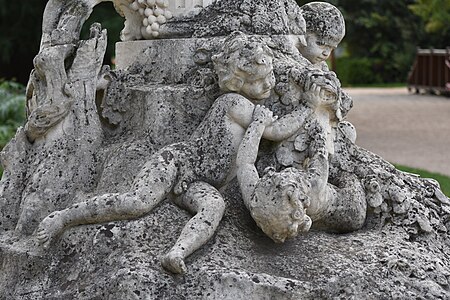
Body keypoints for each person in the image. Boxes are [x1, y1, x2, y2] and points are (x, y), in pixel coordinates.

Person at [35, 33, 313, 274]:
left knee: (214, 206)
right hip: (179, 162)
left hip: (200, 181)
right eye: (260, 80)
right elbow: (276, 131)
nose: (269, 85)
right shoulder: (234, 103)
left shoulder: (250, 109)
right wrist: (307, 108)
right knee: (137, 202)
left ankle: (177, 252)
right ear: (237, 82)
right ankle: (61, 218)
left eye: (271, 76)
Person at [236, 86, 367, 243]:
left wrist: (258, 123)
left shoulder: (256, 199)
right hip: (351, 206)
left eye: (271, 180)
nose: (272, 175)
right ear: (301, 196)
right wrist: (314, 127)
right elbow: (320, 152)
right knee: (347, 172)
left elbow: (245, 163)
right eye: (279, 180)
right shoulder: (314, 185)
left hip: (332, 210)